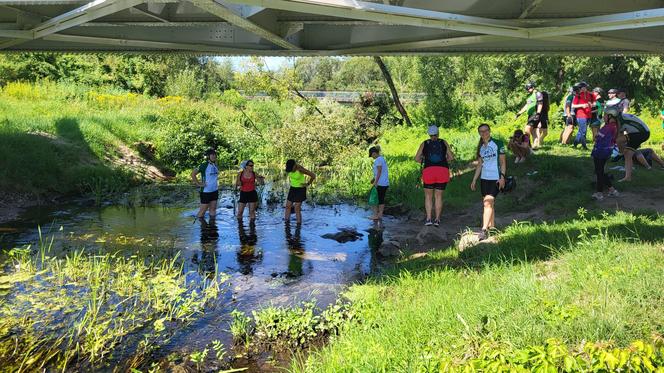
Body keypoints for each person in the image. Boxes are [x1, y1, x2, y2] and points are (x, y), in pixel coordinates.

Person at [470, 123, 506, 240]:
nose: (484, 133)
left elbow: (503, 163)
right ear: (479, 133)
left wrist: (502, 177)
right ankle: (492, 228)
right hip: (484, 179)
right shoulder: (480, 147)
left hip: (495, 177)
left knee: (487, 202)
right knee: (489, 204)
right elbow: (480, 164)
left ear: (490, 131)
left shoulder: (498, 143)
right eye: (481, 131)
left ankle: (484, 230)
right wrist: (474, 180)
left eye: (486, 130)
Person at [415, 125, 455, 226]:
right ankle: (437, 220)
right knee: (438, 196)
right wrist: (444, 160)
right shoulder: (443, 142)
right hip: (442, 170)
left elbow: (416, 158)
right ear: (438, 133)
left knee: (428, 196)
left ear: (429, 134)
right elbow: (451, 157)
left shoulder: (424, 143)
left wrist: (424, 161)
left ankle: (428, 219)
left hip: (429, 171)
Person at [590, 110, 619, 201]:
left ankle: (599, 193)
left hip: (600, 151)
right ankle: (612, 190)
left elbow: (597, 137)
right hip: (608, 151)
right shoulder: (616, 126)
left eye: (605, 115)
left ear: (610, 116)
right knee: (600, 171)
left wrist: (596, 132)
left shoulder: (607, 127)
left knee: (599, 172)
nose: (603, 117)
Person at [615, 111, 651, 182]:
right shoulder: (623, 116)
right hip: (642, 132)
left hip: (639, 133)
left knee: (620, 143)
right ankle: (628, 177)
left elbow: (619, 134)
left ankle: (620, 153)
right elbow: (625, 131)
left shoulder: (619, 120)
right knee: (628, 154)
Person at [284, 159, 316, 224]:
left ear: (294, 166)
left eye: (291, 168)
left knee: (297, 208)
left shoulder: (300, 169)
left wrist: (308, 183)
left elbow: (313, 175)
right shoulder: (289, 168)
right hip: (292, 189)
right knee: (288, 206)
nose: (290, 170)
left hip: (300, 190)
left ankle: (298, 226)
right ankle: (286, 223)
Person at [191, 148, 219, 218]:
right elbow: (193, 174)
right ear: (208, 156)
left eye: (215, 155)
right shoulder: (204, 165)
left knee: (213, 210)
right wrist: (199, 184)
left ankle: (212, 227)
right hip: (206, 191)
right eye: (212, 155)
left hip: (214, 191)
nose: (214, 156)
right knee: (202, 211)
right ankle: (202, 227)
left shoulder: (215, 165)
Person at [515, 82, 543, 147]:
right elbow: (527, 106)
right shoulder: (529, 96)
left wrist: (538, 113)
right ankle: (535, 146)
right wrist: (519, 113)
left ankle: (527, 146)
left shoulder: (537, 94)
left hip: (535, 114)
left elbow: (540, 103)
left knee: (527, 130)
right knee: (533, 132)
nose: (528, 89)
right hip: (530, 115)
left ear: (533, 87)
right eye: (526, 89)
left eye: (529, 88)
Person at [571, 82, 594, 150]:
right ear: (581, 88)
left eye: (586, 87)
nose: (586, 88)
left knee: (581, 131)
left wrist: (591, 104)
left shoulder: (589, 94)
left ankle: (575, 144)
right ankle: (584, 146)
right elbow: (573, 105)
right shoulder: (578, 95)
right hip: (581, 115)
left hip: (588, 115)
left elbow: (590, 102)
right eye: (585, 87)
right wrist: (582, 105)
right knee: (583, 131)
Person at [368, 146, 389, 221]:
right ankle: (380, 215)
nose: (372, 157)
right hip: (384, 183)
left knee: (374, 199)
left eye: (372, 155)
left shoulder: (378, 160)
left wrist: (375, 182)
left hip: (380, 183)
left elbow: (379, 171)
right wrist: (373, 179)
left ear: (374, 153)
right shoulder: (382, 158)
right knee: (381, 199)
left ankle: (375, 215)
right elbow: (379, 172)